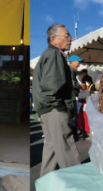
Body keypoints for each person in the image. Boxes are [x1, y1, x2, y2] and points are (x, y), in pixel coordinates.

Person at [34, 23, 81, 176]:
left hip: (48, 110)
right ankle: (78, 190)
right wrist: (61, 108)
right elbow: (52, 87)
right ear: (54, 39)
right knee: (67, 153)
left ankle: (46, 188)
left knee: (52, 151)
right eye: (67, 36)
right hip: (55, 110)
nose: (70, 39)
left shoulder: (49, 54)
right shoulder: (54, 54)